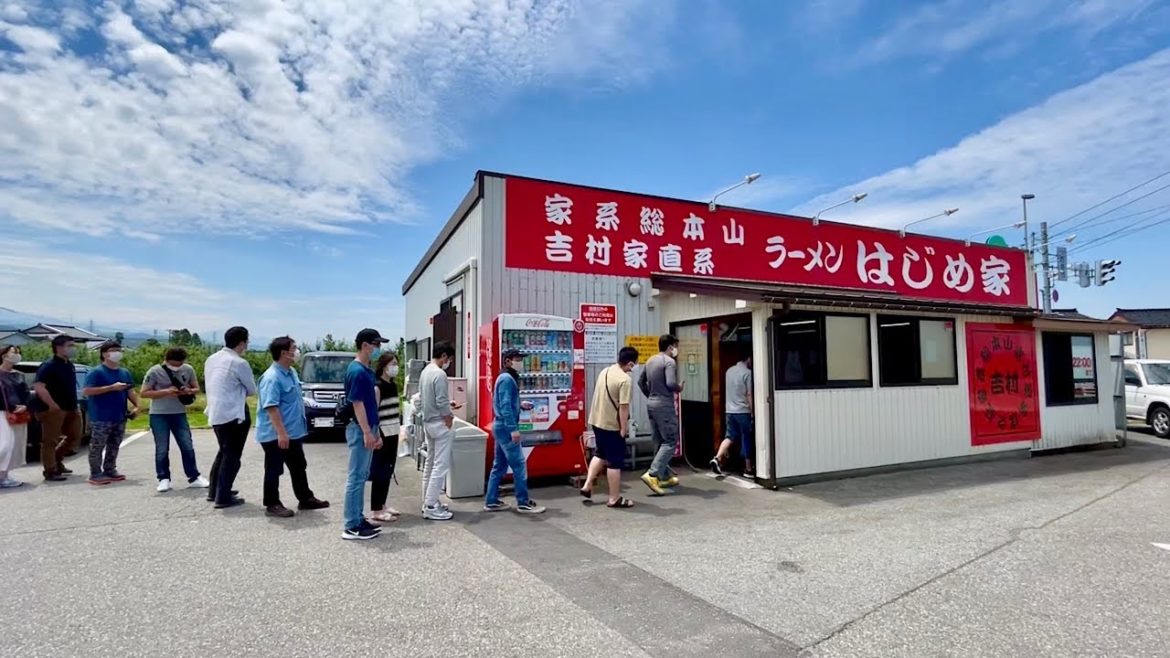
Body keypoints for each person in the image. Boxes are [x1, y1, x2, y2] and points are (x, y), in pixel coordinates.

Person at [255, 337, 330, 518]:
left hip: (294, 432)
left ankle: (305, 498)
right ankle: (272, 503)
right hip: (276, 434)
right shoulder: (272, 378)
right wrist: (281, 433)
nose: (297, 352)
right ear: (284, 353)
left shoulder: (291, 372)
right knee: (274, 469)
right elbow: (271, 407)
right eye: (294, 348)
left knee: (298, 466)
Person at [483, 349, 546, 514]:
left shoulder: (505, 377)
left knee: (499, 465)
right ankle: (523, 502)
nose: (521, 363)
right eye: (517, 359)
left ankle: (491, 501)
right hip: (505, 427)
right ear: (508, 361)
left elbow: (505, 403)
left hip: (500, 426)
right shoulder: (507, 379)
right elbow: (505, 407)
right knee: (519, 465)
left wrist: (520, 405)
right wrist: (513, 429)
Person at [342, 329, 389, 540]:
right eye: (375, 344)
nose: (378, 348)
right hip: (360, 428)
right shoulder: (357, 371)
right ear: (364, 345)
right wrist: (367, 432)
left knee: (361, 476)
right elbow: (358, 404)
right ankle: (351, 525)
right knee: (356, 477)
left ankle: (357, 518)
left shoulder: (364, 370)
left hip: (367, 426)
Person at [142, 347, 208, 492]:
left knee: (187, 445)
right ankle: (163, 478)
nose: (177, 367)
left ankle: (194, 476)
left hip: (179, 413)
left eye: (179, 364)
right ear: (167, 360)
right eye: (173, 364)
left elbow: (197, 388)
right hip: (159, 414)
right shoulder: (154, 371)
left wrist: (188, 390)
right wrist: (166, 392)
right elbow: (144, 393)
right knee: (162, 447)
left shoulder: (188, 369)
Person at [204, 326, 256, 508]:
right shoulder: (239, 363)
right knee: (232, 457)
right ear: (241, 343)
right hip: (234, 413)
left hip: (215, 411)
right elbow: (251, 389)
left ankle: (215, 490)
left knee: (224, 452)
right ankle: (223, 497)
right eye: (246, 342)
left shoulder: (211, 359)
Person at [580, 346, 639, 509]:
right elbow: (624, 407)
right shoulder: (625, 380)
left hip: (596, 421)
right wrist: (623, 428)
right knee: (615, 462)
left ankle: (587, 485)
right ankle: (614, 498)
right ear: (630, 363)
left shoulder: (605, 371)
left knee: (600, 453)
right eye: (635, 363)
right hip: (611, 425)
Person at [80, 341, 139, 486]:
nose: (117, 353)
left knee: (114, 444)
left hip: (119, 415)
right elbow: (87, 391)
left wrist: (137, 406)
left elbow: (130, 391)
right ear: (104, 354)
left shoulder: (124, 372)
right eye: (113, 350)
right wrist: (111, 388)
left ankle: (110, 469)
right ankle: (95, 473)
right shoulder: (96, 372)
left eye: (119, 350)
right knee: (97, 446)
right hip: (101, 416)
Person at [31, 335, 84, 482]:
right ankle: (50, 470)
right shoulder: (48, 366)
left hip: (71, 407)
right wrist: (52, 404)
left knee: (74, 436)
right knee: (50, 440)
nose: (73, 349)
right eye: (70, 345)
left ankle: (57, 459)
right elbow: (39, 387)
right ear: (59, 347)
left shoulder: (69, 365)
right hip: (53, 409)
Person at [638, 334, 683, 495]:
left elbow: (640, 382)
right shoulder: (669, 362)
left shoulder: (650, 360)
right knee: (670, 441)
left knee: (658, 440)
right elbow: (670, 383)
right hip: (664, 405)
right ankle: (653, 474)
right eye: (675, 346)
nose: (676, 350)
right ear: (670, 347)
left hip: (651, 404)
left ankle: (663, 477)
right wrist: (679, 388)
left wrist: (650, 395)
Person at [419, 341, 457, 521]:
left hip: (428, 422)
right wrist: (448, 416)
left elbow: (425, 398)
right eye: (449, 359)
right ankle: (431, 505)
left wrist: (447, 406)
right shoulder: (440, 374)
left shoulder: (425, 371)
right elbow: (441, 400)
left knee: (430, 462)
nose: (449, 362)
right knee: (440, 466)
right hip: (440, 423)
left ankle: (427, 500)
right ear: (443, 356)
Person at [368, 351, 402, 523]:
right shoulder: (377, 386)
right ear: (383, 366)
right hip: (382, 434)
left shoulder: (392, 385)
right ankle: (376, 509)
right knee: (380, 472)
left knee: (388, 470)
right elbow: (374, 413)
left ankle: (382, 504)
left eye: (396, 364)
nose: (395, 367)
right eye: (392, 364)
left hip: (394, 432)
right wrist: (376, 435)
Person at [712, 351, 754, 477]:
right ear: (748, 359)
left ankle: (717, 458)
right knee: (746, 437)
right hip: (743, 411)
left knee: (729, 436)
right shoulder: (747, 373)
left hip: (729, 411)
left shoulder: (729, 371)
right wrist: (752, 411)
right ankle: (748, 469)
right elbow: (749, 394)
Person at [0, 344, 31, 488]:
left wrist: (25, 405)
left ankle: (4, 475)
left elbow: (26, 394)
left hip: (19, 413)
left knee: (15, 446)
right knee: (5, 445)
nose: (17, 354)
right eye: (13, 352)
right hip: (2, 413)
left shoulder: (19, 374)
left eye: (18, 352)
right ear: (4, 355)